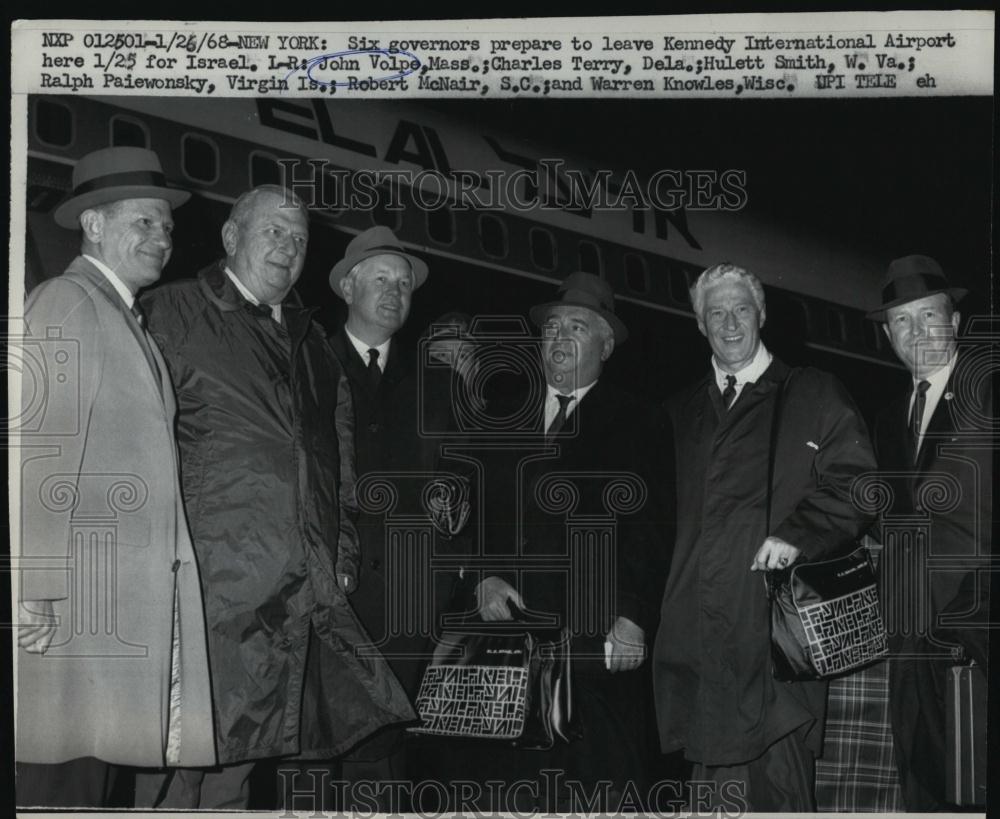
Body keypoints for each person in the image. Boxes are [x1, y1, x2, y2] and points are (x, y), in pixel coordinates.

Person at [134, 187, 414, 809]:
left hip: (283, 602)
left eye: (299, 238)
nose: (288, 247)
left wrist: (340, 555)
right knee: (170, 775)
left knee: (236, 775)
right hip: (201, 595)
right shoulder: (171, 313)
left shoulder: (314, 348)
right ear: (232, 237)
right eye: (273, 232)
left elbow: (336, 469)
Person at [15, 147, 215, 806]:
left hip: (115, 617)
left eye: (168, 226)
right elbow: (37, 452)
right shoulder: (66, 301)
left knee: (94, 786)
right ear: (93, 224)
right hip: (78, 612)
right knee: (61, 783)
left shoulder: (127, 319)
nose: (163, 238)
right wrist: (35, 586)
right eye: (144, 221)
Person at [653, 262, 877, 812]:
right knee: (712, 796)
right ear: (700, 325)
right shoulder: (678, 413)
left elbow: (860, 485)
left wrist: (799, 533)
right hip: (698, 645)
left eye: (742, 310)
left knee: (778, 792)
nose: (730, 324)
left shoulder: (812, 392)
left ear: (762, 314)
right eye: (716, 313)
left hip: (775, 643)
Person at [474, 272, 668, 811]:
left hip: (594, 645)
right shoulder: (501, 412)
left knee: (594, 787)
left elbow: (651, 529)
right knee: (511, 789)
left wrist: (632, 617)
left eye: (577, 327)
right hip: (509, 642)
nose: (559, 337)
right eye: (552, 326)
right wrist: (483, 575)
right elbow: (475, 507)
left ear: (605, 347)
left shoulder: (640, 421)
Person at [326, 227, 462, 810]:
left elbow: (459, 502)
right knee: (310, 770)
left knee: (380, 779)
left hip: (405, 621)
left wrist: (441, 603)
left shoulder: (441, 386)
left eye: (403, 283)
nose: (394, 291)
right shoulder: (307, 363)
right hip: (328, 610)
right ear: (347, 287)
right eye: (380, 278)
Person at [864, 254, 992, 810]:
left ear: (955, 322)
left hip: (976, 631)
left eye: (928, 315)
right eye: (901, 320)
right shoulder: (886, 419)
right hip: (907, 639)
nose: (915, 331)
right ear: (888, 335)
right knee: (923, 786)